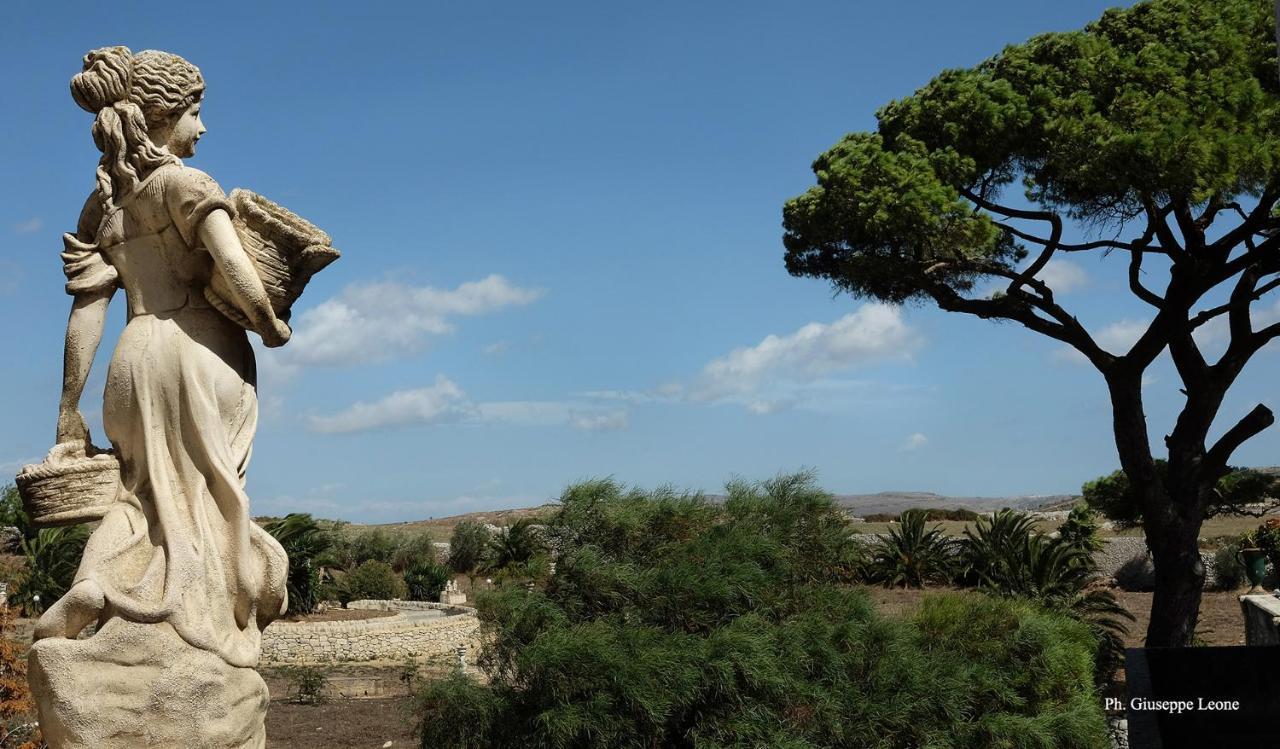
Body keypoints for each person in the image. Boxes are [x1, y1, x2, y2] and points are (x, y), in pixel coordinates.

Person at [34, 46, 290, 669]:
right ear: (164, 113)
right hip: (198, 350)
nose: (203, 127)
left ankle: (99, 579)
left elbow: (86, 312)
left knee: (140, 496)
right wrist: (269, 323)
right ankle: (197, 623)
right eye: (196, 112)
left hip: (131, 356)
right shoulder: (186, 183)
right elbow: (235, 266)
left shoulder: (103, 206)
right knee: (208, 497)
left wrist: (69, 409)